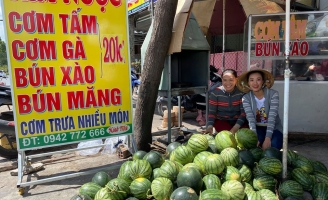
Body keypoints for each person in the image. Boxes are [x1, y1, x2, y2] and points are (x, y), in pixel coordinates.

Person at [236, 67, 283, 150]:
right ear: (248, 83)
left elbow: (272, 118)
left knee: (274, 145)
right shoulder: (246, 98)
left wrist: (268, 138)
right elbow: (250, 119)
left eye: (258, 79)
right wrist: (254, 137)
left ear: (263, 81)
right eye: (251, 80)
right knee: (255, 146)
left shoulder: (273, 94)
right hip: (258, 128)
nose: (255, 83)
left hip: (274, 128)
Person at [204, 69, 248, 135]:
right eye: (225, 80)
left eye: (231, 80)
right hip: (222, 121)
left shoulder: (241, 93)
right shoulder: (215, 93)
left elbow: (243, 114)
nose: (228, 83)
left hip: (239, 122)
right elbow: (212, 113)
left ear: (236, 79)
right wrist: (210, 127)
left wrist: (235, 129)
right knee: (227, 134)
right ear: (221, 80)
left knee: (244, 134)